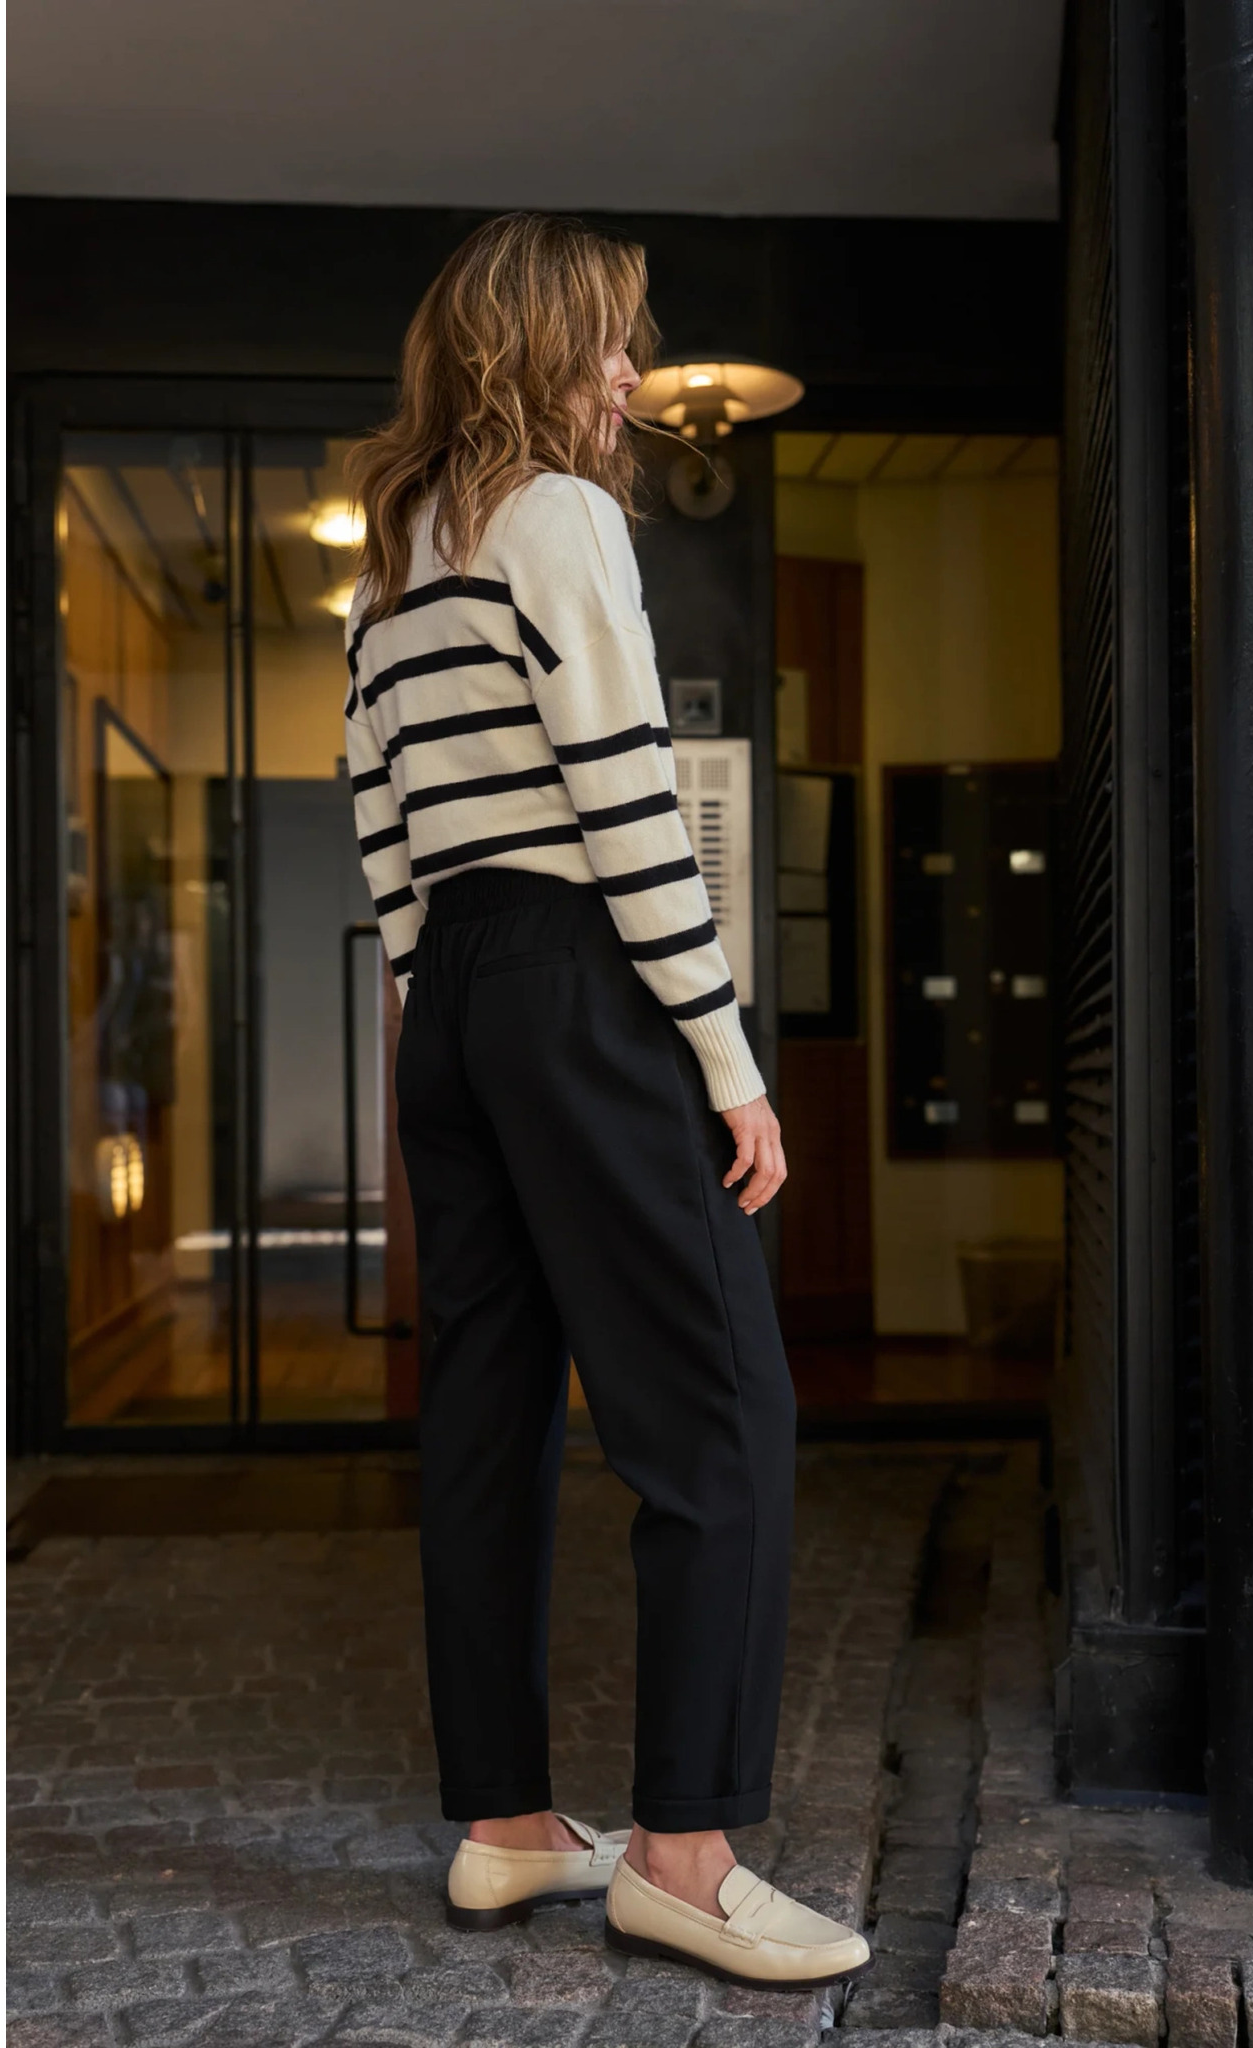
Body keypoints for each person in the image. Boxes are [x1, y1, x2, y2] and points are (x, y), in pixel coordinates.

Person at [343, 212, 871, 1992]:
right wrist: (726, 1056)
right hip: (578, 978)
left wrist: (441, 1019)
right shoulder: (557, 515)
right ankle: (686, 1857)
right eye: (610, 341)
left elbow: (383, 827)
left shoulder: (392, 562)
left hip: (453, 998)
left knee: (486, 1418)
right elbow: (629, 796)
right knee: (719, 1409)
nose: (632, 376)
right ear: (534, 350)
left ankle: (505, 1824)